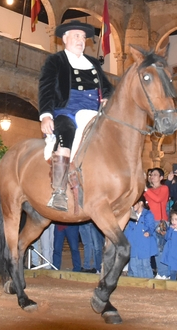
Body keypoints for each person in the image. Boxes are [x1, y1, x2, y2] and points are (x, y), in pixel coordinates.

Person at [38, 20, 114, 211]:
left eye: (83, 37)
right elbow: (46, 89)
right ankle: (59, 191)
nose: (81, 40)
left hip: (95, 112)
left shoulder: (93, 63)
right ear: (65, 38)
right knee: (67, 133)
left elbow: (107, 87)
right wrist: (46, 115)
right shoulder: (56, 60)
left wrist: (106, 97)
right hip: (67, 111)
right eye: (77, 36)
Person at [144, 168, 170, 279]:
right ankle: (160, 272)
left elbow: (158, 199)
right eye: (151, 175)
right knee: (154, 248)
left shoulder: (164, 188)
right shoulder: (148, 190)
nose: (152, 176)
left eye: (155, 174)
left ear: (161, 177)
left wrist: (146, 189)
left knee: (160, 248)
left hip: (160, 221)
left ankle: (164, 273)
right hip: (150, 222)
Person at [124, 197, 158, 278]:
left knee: (145, 265)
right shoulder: (131, 215)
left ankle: (148, 282)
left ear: (141, 203)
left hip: (144, 244)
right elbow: (128, 230)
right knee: (134, 265)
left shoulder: (147, 214)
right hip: (133, 244)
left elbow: (151, 226)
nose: (132, 206)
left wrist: (148, 232)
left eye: (134, 203)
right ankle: (138, 283)